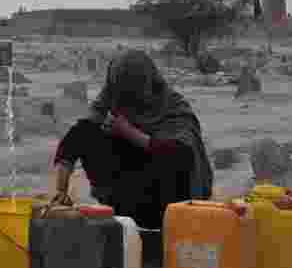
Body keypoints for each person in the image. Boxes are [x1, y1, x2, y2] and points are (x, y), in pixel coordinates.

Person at [51, 49, 213, 236]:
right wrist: (61, 190)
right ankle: (124, 218)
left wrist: (129, 132)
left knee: (176, 156)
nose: (125, 99)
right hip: (127, 203)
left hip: (171, 205)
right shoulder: (112, 96)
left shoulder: (173, 106)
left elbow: (183, 155)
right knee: (90, 133)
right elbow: (80, 134)